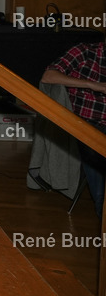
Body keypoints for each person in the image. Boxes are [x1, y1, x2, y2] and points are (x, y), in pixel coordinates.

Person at [42, 42, 106, 214]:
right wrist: (93, 85)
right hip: (88, 124)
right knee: (95, 146)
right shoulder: (86, 51)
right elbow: (48, 76)